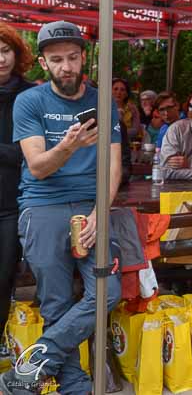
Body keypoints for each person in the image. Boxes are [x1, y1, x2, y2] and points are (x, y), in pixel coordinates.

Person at [1, 20, 121, 395]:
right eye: (56, 60)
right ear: (43, 63)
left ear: (84, 57)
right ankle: (75, 386)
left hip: (91, 205)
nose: (66, 67)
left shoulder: (103, 101)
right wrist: (69, 145)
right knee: (55, 302)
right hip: (42, 205)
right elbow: (37, 167)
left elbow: (113, 165)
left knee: (108, 291)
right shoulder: (30, 101)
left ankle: (31, 365)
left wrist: (100, 213)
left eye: (72, 57)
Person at [0, 24, 35, 359]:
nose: (0, 59)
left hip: (13, 203)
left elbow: (29, 153)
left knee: (3, 280)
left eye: (5, 50)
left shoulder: (30, 95)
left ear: (16, 54)